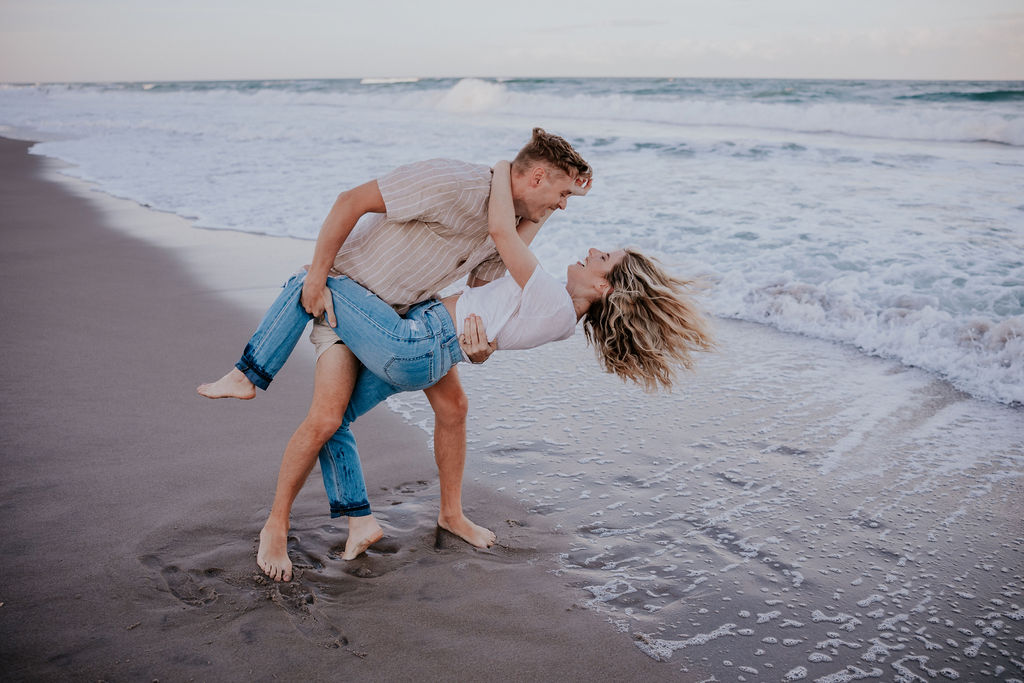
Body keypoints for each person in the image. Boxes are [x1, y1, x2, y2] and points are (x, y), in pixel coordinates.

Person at [200, 161, 714, 581]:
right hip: (429, 347)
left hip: (413, 342)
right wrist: (551, 199)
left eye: (601, 258)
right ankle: (369, 519)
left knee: (308, 281)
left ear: (603, 288)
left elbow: (500, 229)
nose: (589, 252)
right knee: (345, 420)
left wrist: (505, 168)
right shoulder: (557, 310)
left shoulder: (551, 300)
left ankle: (251, 373)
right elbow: (512, 262)